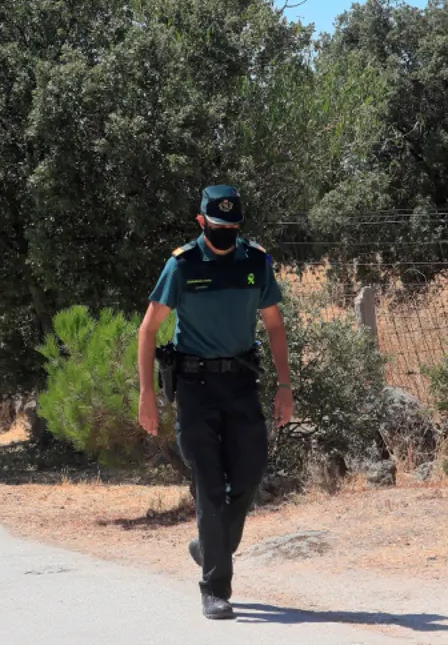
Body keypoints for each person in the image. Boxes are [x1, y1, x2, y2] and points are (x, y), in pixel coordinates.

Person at [137, 185, 294, 621]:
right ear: (201, 222)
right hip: (196, 389)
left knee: (248, 475)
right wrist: (147, 395)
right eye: (217, 226)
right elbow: (148, 330)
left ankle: (209, 544)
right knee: (209, 486)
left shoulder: (255, 262)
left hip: (242, 385)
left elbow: (275, 327)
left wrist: (285, 385)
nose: (225, 233)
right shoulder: (182, 265)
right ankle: (214, 588)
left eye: (232, 227)